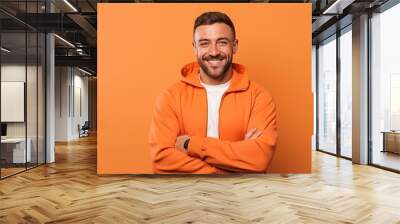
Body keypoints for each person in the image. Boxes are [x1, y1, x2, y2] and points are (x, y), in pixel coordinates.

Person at [149, 11, 277, 174]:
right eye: (204, 43)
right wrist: (234, 165)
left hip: (242, 195)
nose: (214, 51)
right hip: (185, 195)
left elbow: (259, 159)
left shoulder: (259, 96)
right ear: (195, 48)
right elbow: (161, 160)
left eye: (222, 42)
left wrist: (191, 145)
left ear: (235, 45)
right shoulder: (170, 97)